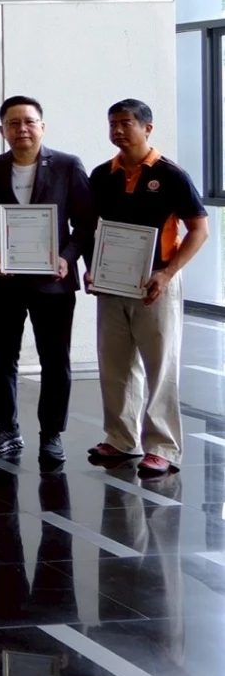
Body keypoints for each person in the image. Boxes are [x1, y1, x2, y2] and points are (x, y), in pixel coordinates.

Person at [87, 98, 208, 479]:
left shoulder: (171, 175)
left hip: (157, 282)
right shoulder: (102, 174)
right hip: (112, 283)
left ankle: (162, 447)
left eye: (126, 123)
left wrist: (168, 273)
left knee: (160, 366)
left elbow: (199, 229)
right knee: (115, 363)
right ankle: (121, 438)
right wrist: (91, 270)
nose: (118, 130)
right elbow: (92, 228)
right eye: (113, 123)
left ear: (147, 128)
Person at [0, 96, 94, 469]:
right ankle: (6, 428)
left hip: (53, 284)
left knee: (55, 359)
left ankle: (52, 434)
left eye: (29, 122)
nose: (22, 129)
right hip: (3, 282)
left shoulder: (67, 166)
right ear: (2, 130)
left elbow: (85, 224)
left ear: (42, 126)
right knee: (2, 358)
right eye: (13, 123)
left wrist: (67, 258)